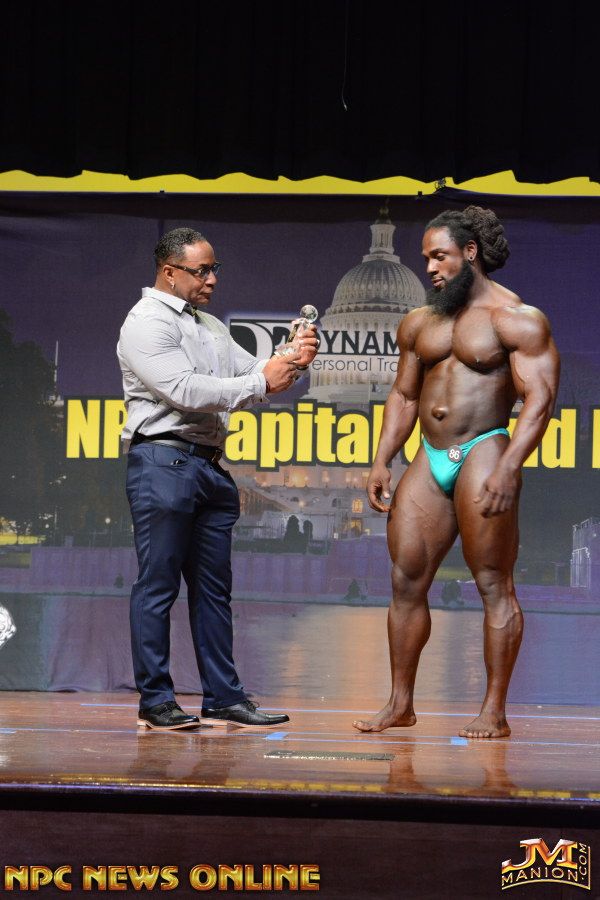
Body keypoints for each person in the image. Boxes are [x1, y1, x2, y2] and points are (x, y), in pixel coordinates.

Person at [353, 206, 560, 739]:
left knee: (492, 582)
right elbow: (404, 395)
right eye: (426, 258)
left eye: (439, 256)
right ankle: (400, 703)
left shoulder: (516, 319)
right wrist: (382, 458)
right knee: (405, 580)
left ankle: (493, 711)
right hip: (430, 454)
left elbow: (539, 400)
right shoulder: (420, 322)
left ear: (470, 253)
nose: (430, 268)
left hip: (484, 447)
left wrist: (510, 466)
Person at [117, 227, 319, 730]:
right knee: (157, 586)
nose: (211, 279)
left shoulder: (207, 325)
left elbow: (254, 378)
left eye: (214, 269)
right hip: (163, 462)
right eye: (201, 270)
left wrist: (292, 359)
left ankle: (224, 698)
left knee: (213, 593)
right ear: (169, 272)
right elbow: (183, 390)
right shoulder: (146, 321)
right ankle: (156, 701)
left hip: (208, 467)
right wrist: (261, 379)